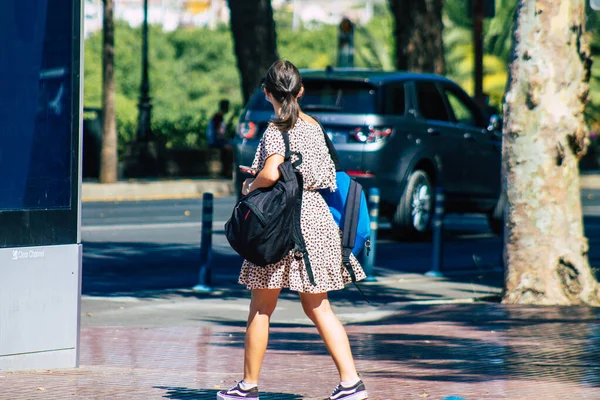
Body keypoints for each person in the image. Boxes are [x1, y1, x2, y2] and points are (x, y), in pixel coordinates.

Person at [217, 61, 368, 400]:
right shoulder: (314, 127)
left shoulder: (275, 129)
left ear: (267, 92)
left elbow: (271, 173)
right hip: (315, 219)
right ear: (301, 91)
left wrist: (249, 184)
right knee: (319, 307)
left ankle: (248, 387)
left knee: (261, 308)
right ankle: (351, 382)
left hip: (281, 223)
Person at [207, 99, 233, 178]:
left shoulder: (219, 116)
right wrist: (226, 140)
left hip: (218, 140)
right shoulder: (218, 117)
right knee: (230, 149)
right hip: (215, 141)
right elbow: (219, 132)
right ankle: (227, 171)